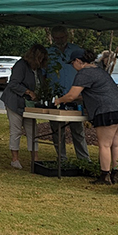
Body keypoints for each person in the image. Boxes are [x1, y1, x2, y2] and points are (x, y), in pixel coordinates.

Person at [54, 48, 118, 184]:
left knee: (104, 145)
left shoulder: (84, 73)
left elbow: (72, 95)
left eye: (72, 63)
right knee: (116, 144)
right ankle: (116, 174)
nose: (73, 66)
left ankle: (104, 176)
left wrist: (59, 100)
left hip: (106, 110)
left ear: (78, 61)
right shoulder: (99, 71)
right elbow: (88, 93)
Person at [46, 26, 90, 161]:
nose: (59, 40)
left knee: (77, 128)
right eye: (56, 38)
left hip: (75, 95)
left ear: (67, 36)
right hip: (56, 95)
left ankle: (84, 159)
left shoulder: (77, 51)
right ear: (52, 38)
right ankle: (61, 158)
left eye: (62, 37)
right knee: (57, 130)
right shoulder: (49, 53)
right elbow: (43, 74)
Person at [1, 44, 46, 169]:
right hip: (15, 101)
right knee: (16, 130)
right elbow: (13, 84)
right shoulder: (21, 65)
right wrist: (28, 91)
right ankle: (15, 159)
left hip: (29, 104)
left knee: (33, 130)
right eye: (39, 58)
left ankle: (35, 159)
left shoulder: (39, 69)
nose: (41, 61)